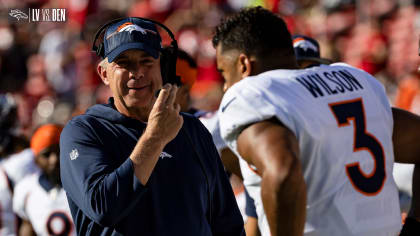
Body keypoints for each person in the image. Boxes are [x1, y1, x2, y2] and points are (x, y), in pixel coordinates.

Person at [213, 6, 420, 235]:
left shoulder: (252, 93)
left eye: (223, 73)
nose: (224, 86)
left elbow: (283, 172)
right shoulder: (352, 77)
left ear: (243, 65)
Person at [59, 17, 244, 235]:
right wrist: (155, 138)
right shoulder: (84, 131)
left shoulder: (191, 129)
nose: (137, 72)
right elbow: (104, 207)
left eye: (147, 61)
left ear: (162, 68)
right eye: (124, 63)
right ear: (103, 73)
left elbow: (226, 222)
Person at [13, 124, 75, 235]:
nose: (54, 159)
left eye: (58, 151)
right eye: (47, 154)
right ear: (36, 159)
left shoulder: (81, 182)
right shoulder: (26, 190)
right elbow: (28, 229)